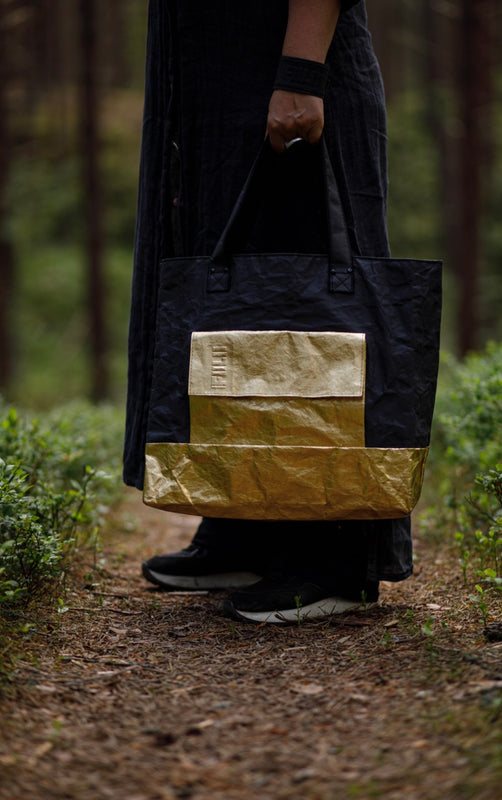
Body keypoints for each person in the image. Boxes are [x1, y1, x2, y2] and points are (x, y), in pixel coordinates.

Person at [123, 0, 413, 624]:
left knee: (302, 293)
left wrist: (301, 73)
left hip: (288, 72)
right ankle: (245, 525)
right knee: (227, 295)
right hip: (212, 85)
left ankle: (334, 555)